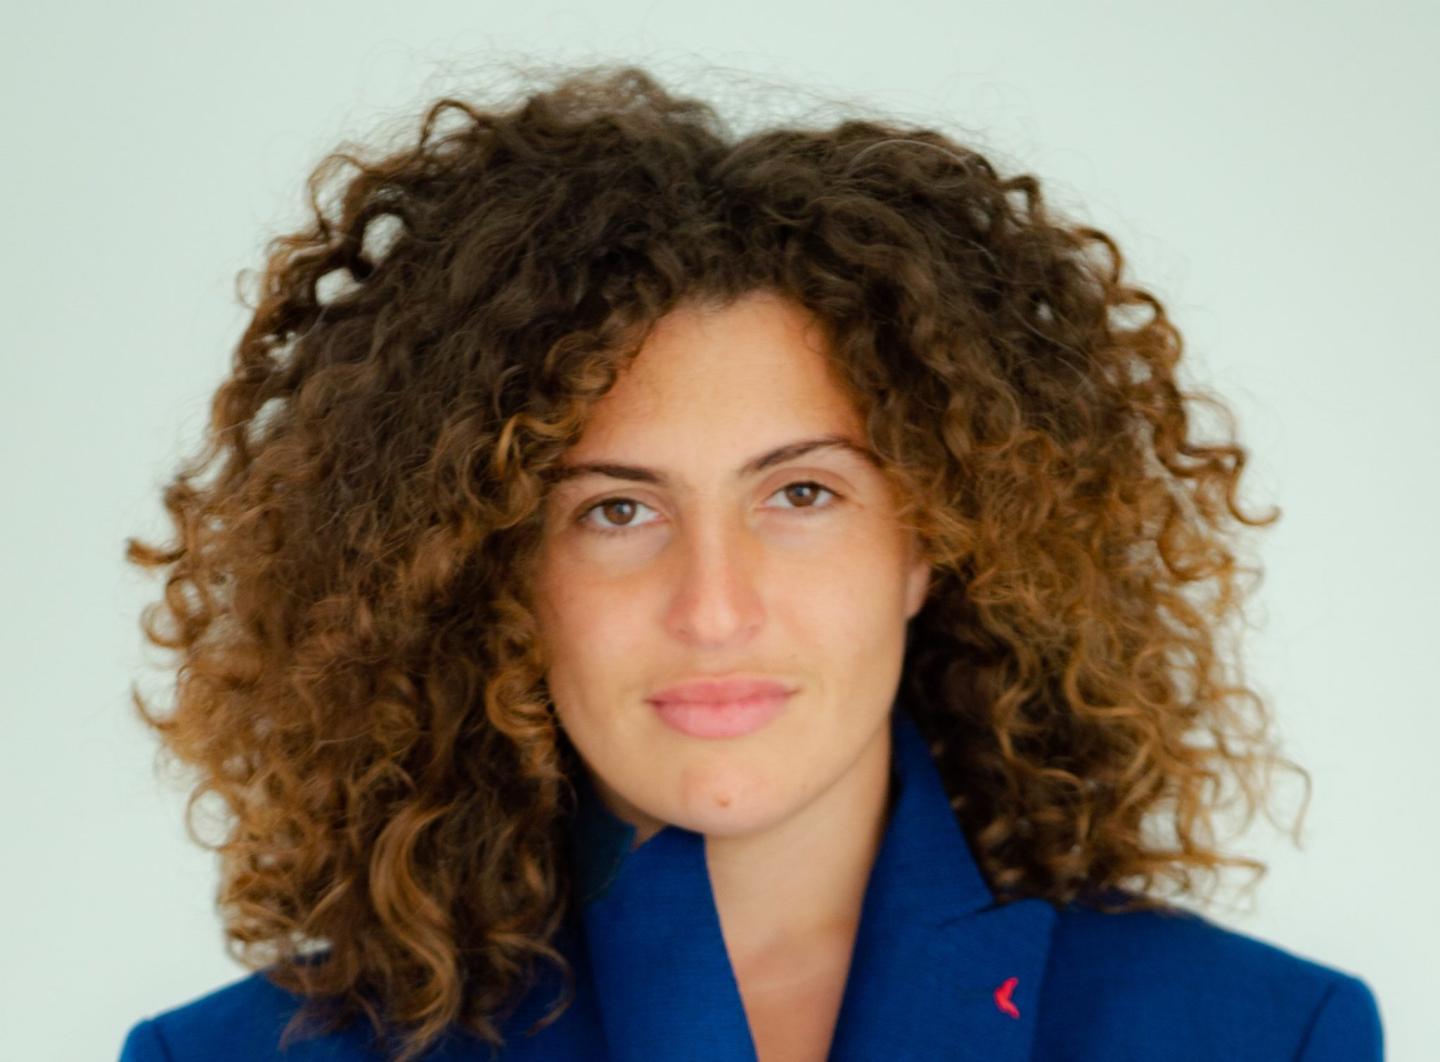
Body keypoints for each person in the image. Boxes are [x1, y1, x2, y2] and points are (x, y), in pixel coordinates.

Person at [116, 62, 1383, 1061]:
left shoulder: (1262, 1037)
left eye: (802, 492)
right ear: (495, 574)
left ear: (929, 540)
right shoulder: (232, 1057)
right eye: (617, 511)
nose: (714, 608)